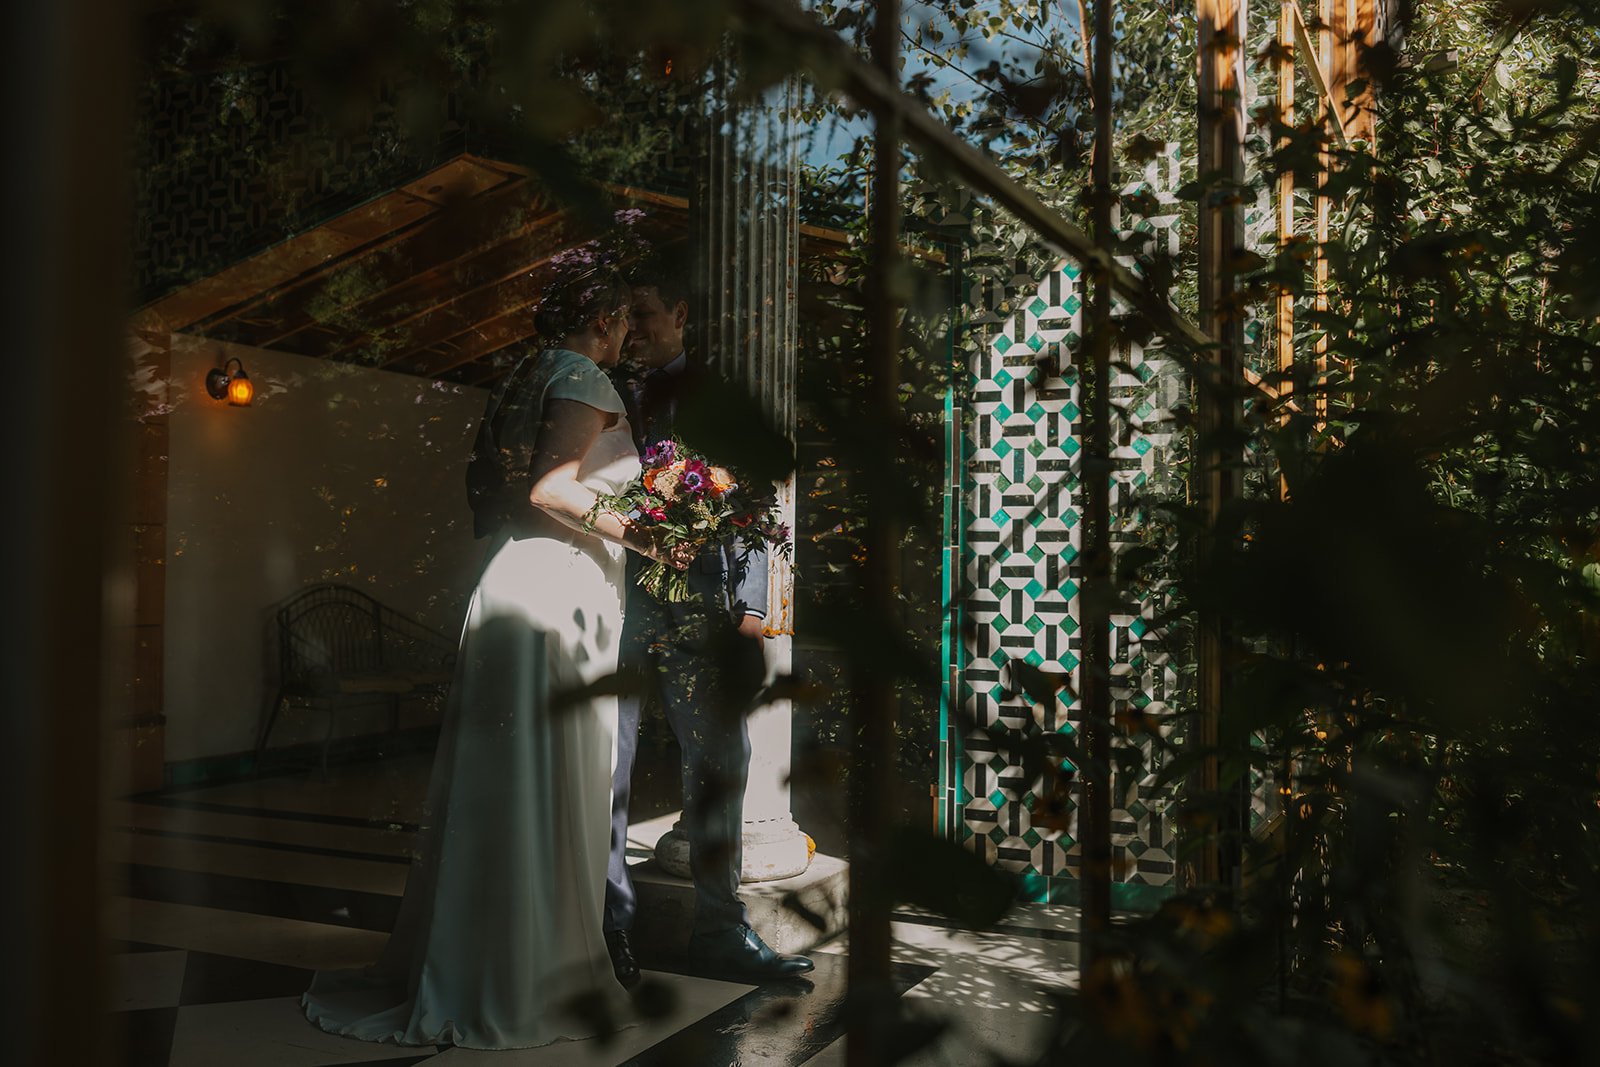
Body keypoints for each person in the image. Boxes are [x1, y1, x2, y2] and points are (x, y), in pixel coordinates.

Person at [302, 261, 691, 1050]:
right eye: (625, 318)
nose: (629, 333)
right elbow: (550, 489)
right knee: (541, 782)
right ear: (605, 318)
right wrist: (658, 535)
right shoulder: (581, 372)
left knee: (504, 783)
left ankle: (485, 958)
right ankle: (524, 972)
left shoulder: (527, 371)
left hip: (519, 579)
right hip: (556, 589)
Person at [601, 247, 814, 987]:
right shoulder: (602, 388)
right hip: (619, 601)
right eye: (625, 317)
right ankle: (609, 932)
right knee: (609, 770)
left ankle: (721, 932)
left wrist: (757, 601)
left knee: (723, 765)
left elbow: (760, 487)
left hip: (704, 607)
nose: (633, 330)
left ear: (680, 315)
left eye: (646, 315)